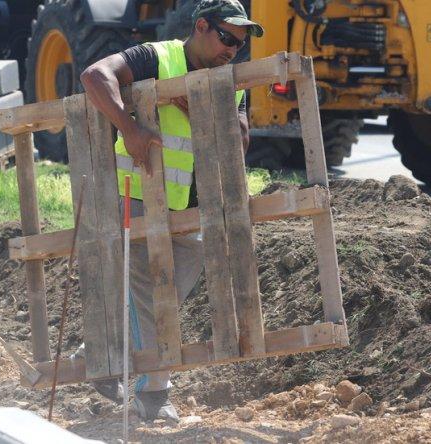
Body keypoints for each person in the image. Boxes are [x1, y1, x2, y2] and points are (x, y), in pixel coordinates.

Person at [78, 0, 264, 422]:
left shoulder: (230, 81)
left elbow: (239, 141)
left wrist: (202, 108)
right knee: (150, 292)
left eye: (239, 43)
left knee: (167, 295)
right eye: (227, 37)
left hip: (193, 208)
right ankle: (154, 393)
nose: (232, 49)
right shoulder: (156, 58)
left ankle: (96, 354)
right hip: (140, 197)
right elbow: (95, 76)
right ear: (201, 27)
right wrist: (129, 128)